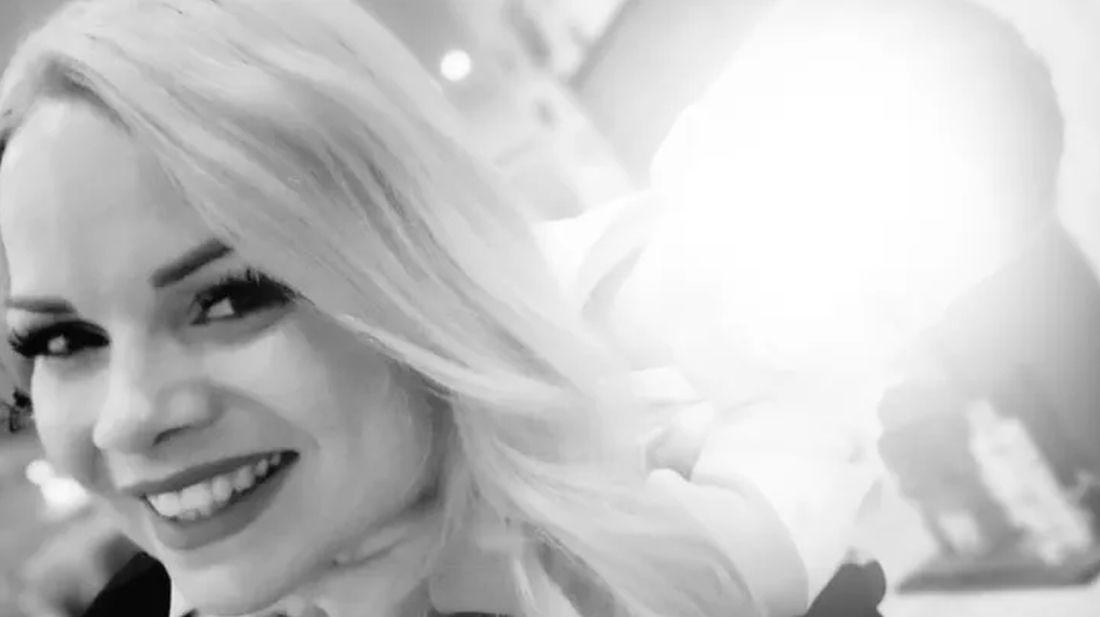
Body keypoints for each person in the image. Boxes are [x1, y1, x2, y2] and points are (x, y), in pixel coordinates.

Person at [0, 1, 766, 616]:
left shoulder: (717, 521)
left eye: (228, 298)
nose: (126, 419)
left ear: (415, 270)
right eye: (63, 339)